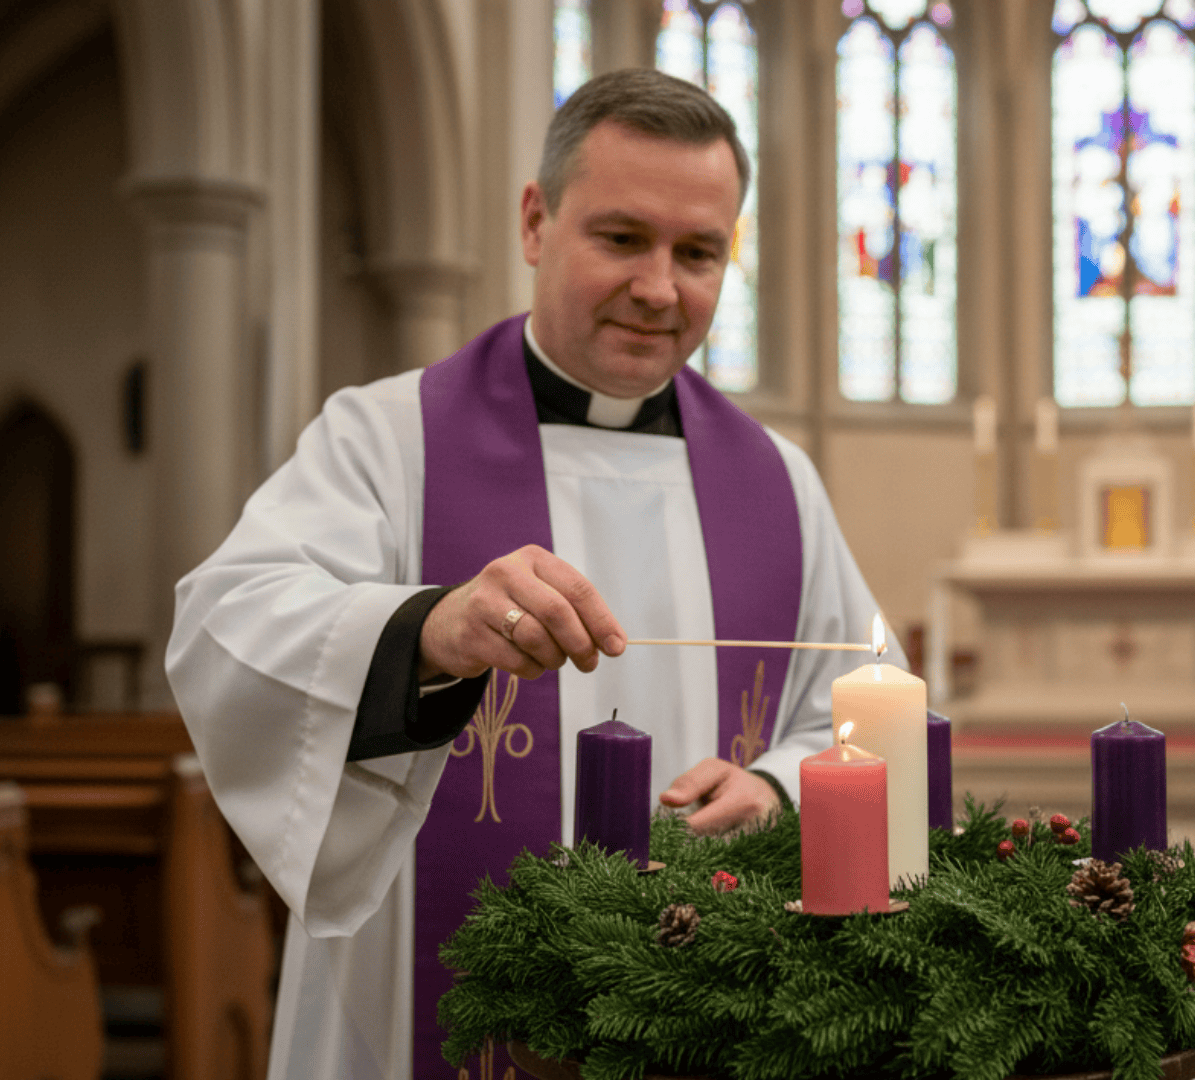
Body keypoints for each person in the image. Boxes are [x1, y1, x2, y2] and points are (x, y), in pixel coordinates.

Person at [166, 69, 893, 1080]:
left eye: (699, 253)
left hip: (705, 1022)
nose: (659, 288)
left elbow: (867, 696)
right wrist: (426, 631)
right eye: (622, 237)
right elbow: (227, 623)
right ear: (535, 221)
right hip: (423, 1010)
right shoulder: (387, 439)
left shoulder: (779, 481)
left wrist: (772, 787)